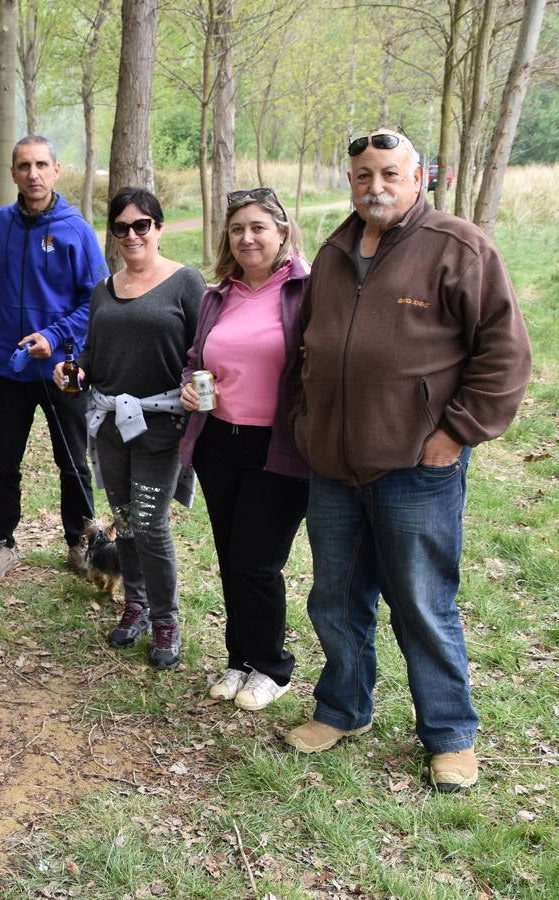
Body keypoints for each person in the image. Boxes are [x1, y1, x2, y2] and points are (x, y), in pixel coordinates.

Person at [285, 128, 532, 792]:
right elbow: (305, 345)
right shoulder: (333, 253)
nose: (377, 187)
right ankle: (342, 709)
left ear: (418, 177)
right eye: (364, 175)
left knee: (422, 602)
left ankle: (449, 735)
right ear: (350, 183)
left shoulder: (458, 248)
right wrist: (304, 422)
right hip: (333, 465)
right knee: (335, 598)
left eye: (390, 173)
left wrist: (455, 433)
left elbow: (505, 353)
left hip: (417, 468)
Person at [55, 188, 204, 669]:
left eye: (142, 225)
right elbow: (94, 354)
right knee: (124, 521)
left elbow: (204, 350)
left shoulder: (185, 282)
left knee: (151, 524)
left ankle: (166, 620)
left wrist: (199, 394)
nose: (132, 235)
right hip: (110, 426)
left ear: (158, 227)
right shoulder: (104, 288)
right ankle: (135, 604)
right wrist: (75, 371)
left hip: (162, 424)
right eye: (121, 227)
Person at [178, 187, 309, 708]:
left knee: (258, 563)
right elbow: (196, 359)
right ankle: (240, 659)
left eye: (258, 227)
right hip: (219, 442)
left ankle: (273, 667)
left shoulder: (305, 290)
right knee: (232, 559)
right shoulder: (218, 296)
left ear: (282, 231)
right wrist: (189, 387)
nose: (247, 238)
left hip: (278, 446)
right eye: (237, 229)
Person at [0, 136, 108, 581]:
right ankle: (2, 541)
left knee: (73, 461)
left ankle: (80, 540)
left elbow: (96, 301)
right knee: (4, 462)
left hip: (64, 367)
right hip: (10, 369)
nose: (33, 174)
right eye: (24, 166)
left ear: (56, 170)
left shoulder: (76, 230)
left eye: (41, 164)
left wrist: (53, 335)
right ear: (13, 174)